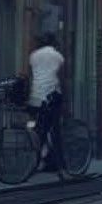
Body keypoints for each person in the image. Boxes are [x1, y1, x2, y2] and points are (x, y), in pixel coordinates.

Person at [28, 33, 65, 172]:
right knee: (54, 128)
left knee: (37, 128)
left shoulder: (33, 55)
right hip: (51, 97)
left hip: (36, 97)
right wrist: (64, 98)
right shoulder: (57, 56)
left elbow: (32, 76)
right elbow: (61, 77)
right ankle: (54, 161)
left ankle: (36, 159)